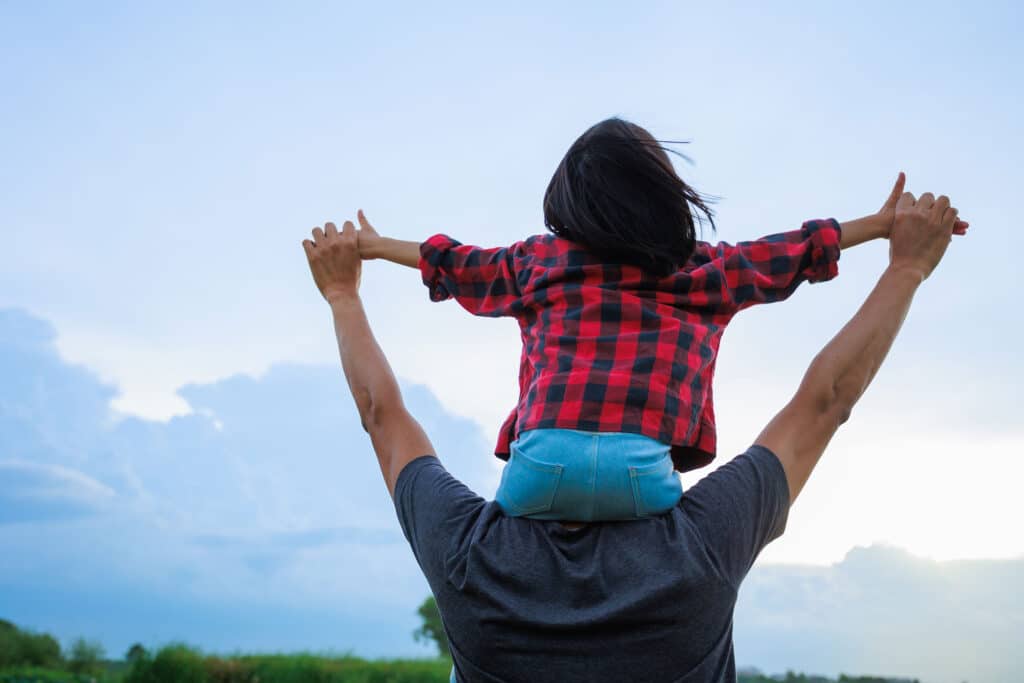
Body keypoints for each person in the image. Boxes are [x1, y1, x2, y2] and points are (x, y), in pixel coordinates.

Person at [302, 184, 963, 682]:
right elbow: (826, 400)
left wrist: (343, 293)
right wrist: (904, 264)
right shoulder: (699, 551)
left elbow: (381, 412)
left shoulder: (469, 560)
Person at [352, 118, 968, 523]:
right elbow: (791, 249)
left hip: (540, 464)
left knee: (488, 578)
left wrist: (377, 247)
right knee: (673, 549)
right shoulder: (703, 271)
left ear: (567, 202)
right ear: (667, 199)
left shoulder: (538, 262)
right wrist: (883, 226)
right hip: (641, 473)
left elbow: (455, 262)